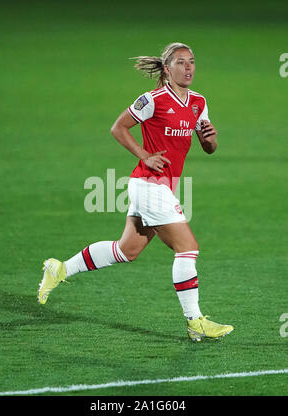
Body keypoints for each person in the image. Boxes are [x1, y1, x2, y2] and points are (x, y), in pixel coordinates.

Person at [38, 42, 233, 342]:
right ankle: (195, 321)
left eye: (192, 62)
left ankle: (60, 268)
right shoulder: (152, 99)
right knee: (187, 248)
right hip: (149, 185)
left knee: (126, 250)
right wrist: (145, 154)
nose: (189, 67)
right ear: (168, 69)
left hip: (162, 188)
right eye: (181, 63)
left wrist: (210, 139)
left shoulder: (198, 103)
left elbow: (209, 148)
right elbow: (118, 127)